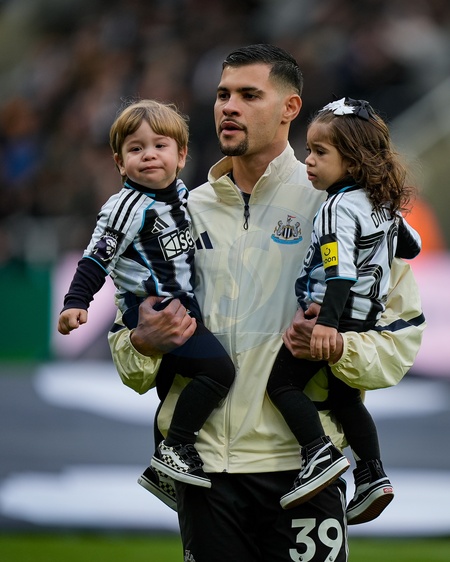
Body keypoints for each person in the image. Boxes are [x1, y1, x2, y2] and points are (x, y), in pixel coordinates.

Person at [108, 45, 425, 562]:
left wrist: (338, 346)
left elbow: (401, 336)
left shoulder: (341, 204)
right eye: (223, 95)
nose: (229, 107)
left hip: (306, 472)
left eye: (249, 95)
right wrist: (143, 343)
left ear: (290, 108)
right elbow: (127, 344)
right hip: (205, 471)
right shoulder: (178, 213)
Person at [57, 99, 235, 499]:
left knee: (173, 389)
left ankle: (162, 468)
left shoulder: (185, 197)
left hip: (184, 304)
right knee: (220, 372)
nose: (149, 155)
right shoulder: (126, 207)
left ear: (181, 155)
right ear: (120, 163)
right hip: (154, 310)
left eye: (160, 145)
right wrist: (76, 301)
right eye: (136, 149)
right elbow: (96, 258)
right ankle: (176, 447)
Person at [266, 96, 422, 522]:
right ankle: (372, 474)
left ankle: (318, 454)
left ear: (352, 161)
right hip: (367, 317)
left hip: (335, 314)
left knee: (282, 386)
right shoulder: (381, 204)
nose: (308, 160)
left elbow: (339, 273)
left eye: (320, 152)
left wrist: (326, 326)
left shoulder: (336, 207)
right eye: (309, 150)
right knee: (345, 398)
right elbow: (412, 246)